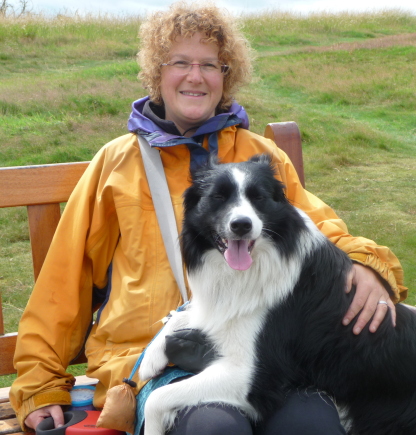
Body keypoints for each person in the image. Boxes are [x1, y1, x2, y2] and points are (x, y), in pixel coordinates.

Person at [10, 2, 407, 435]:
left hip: (263, 350)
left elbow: (316, 231)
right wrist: (39, 386)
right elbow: (62, 283)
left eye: (210, 65)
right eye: (180, 62)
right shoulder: (116, 165)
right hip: (155, 360)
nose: (195, 76)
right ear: (157, 75)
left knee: (311, 423)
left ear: (226, 75)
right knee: (215, 427)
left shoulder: (260, 157)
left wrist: (368, 267)